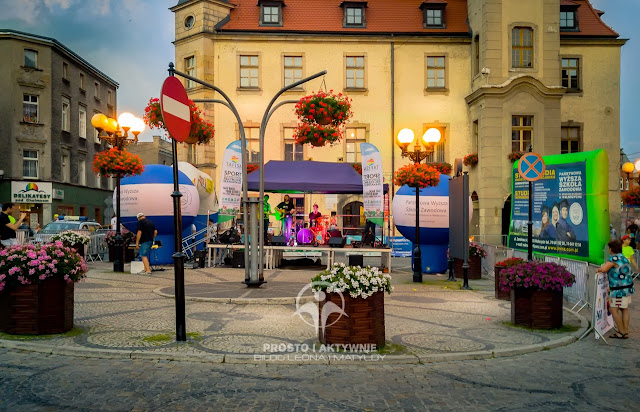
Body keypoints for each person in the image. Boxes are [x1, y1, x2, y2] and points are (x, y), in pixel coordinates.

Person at [597, 240, 635, 339]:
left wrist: (599, 269)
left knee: (613, 309)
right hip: (627, 288)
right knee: (624, 309)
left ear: (611, 249)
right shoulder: (623, 257)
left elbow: (605, 269)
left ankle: (622, 333)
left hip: (619, 290)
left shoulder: (614, 258)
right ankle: (625, 331)